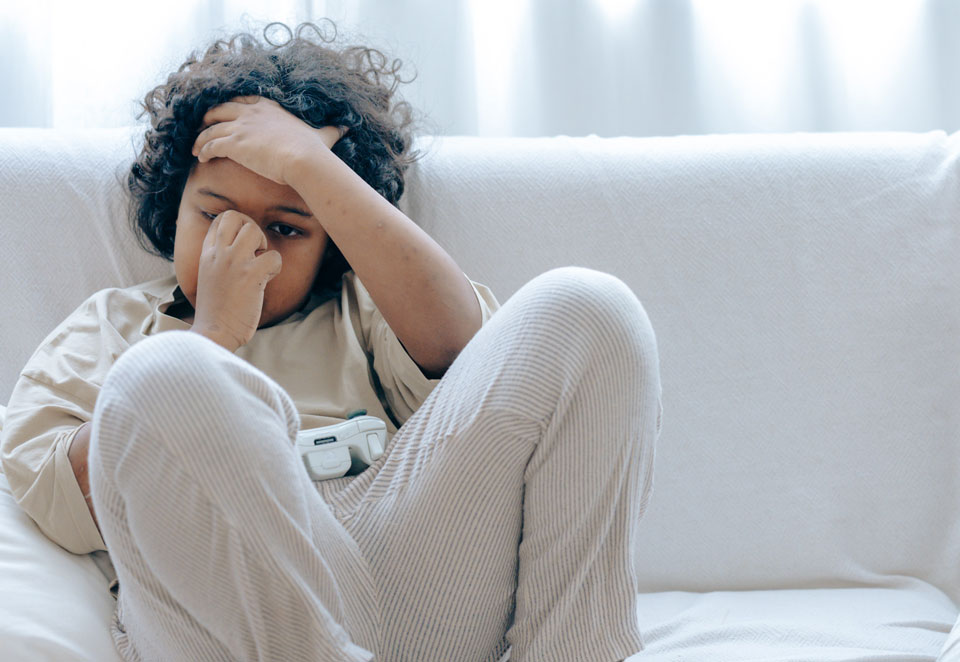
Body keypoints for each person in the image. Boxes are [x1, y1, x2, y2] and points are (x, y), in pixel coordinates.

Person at [0, 19, 663, 662]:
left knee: (590, 305)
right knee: (160, 373)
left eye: (287, 229)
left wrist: (310, 165)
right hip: (231, 617)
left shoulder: (365, 306)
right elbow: (58, 500)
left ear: (332, 243)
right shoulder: (115, 324)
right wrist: (214, 337)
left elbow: (469, 353)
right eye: (213, 215)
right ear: (173, 203)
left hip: (400, 575)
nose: (245, 245)